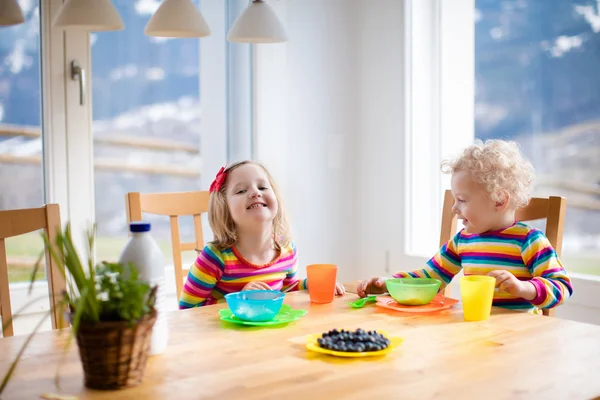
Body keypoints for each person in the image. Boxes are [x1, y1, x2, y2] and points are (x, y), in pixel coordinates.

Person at [357, 140, 573, 312]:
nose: (454, 209)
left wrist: (524, 288)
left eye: (462, 200)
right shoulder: (463, 240)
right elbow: (430, 277)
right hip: (475, 332)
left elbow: (562, 287)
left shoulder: (529, 241)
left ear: (499, 200)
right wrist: (389, 284)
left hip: (520, 340)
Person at [179, 160, 345, 309]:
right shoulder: (215, 257)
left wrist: (312, 284)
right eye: (241, 190)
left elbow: (286, 289)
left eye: (263, 187)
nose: (255, 192)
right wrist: (238, 300)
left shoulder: (286, 250)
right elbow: (187, 309)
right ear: (224, 208)